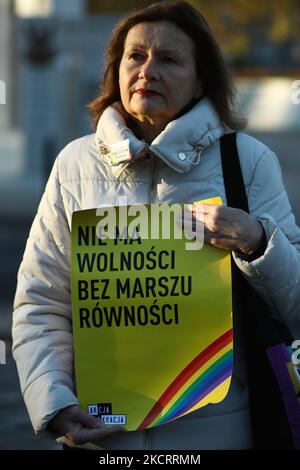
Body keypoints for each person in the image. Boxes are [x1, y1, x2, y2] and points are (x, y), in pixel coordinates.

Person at [12, 1, 300, 450]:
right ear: (116, 68)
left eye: (168, 59)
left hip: (216, 435)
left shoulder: (247, 161)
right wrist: (55, 403)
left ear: (201, 78)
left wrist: (256, 242)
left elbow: (295, 306)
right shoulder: (74, 164)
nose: (147, 71)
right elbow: (41, 303)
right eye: (136, 56)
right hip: (101, 437)